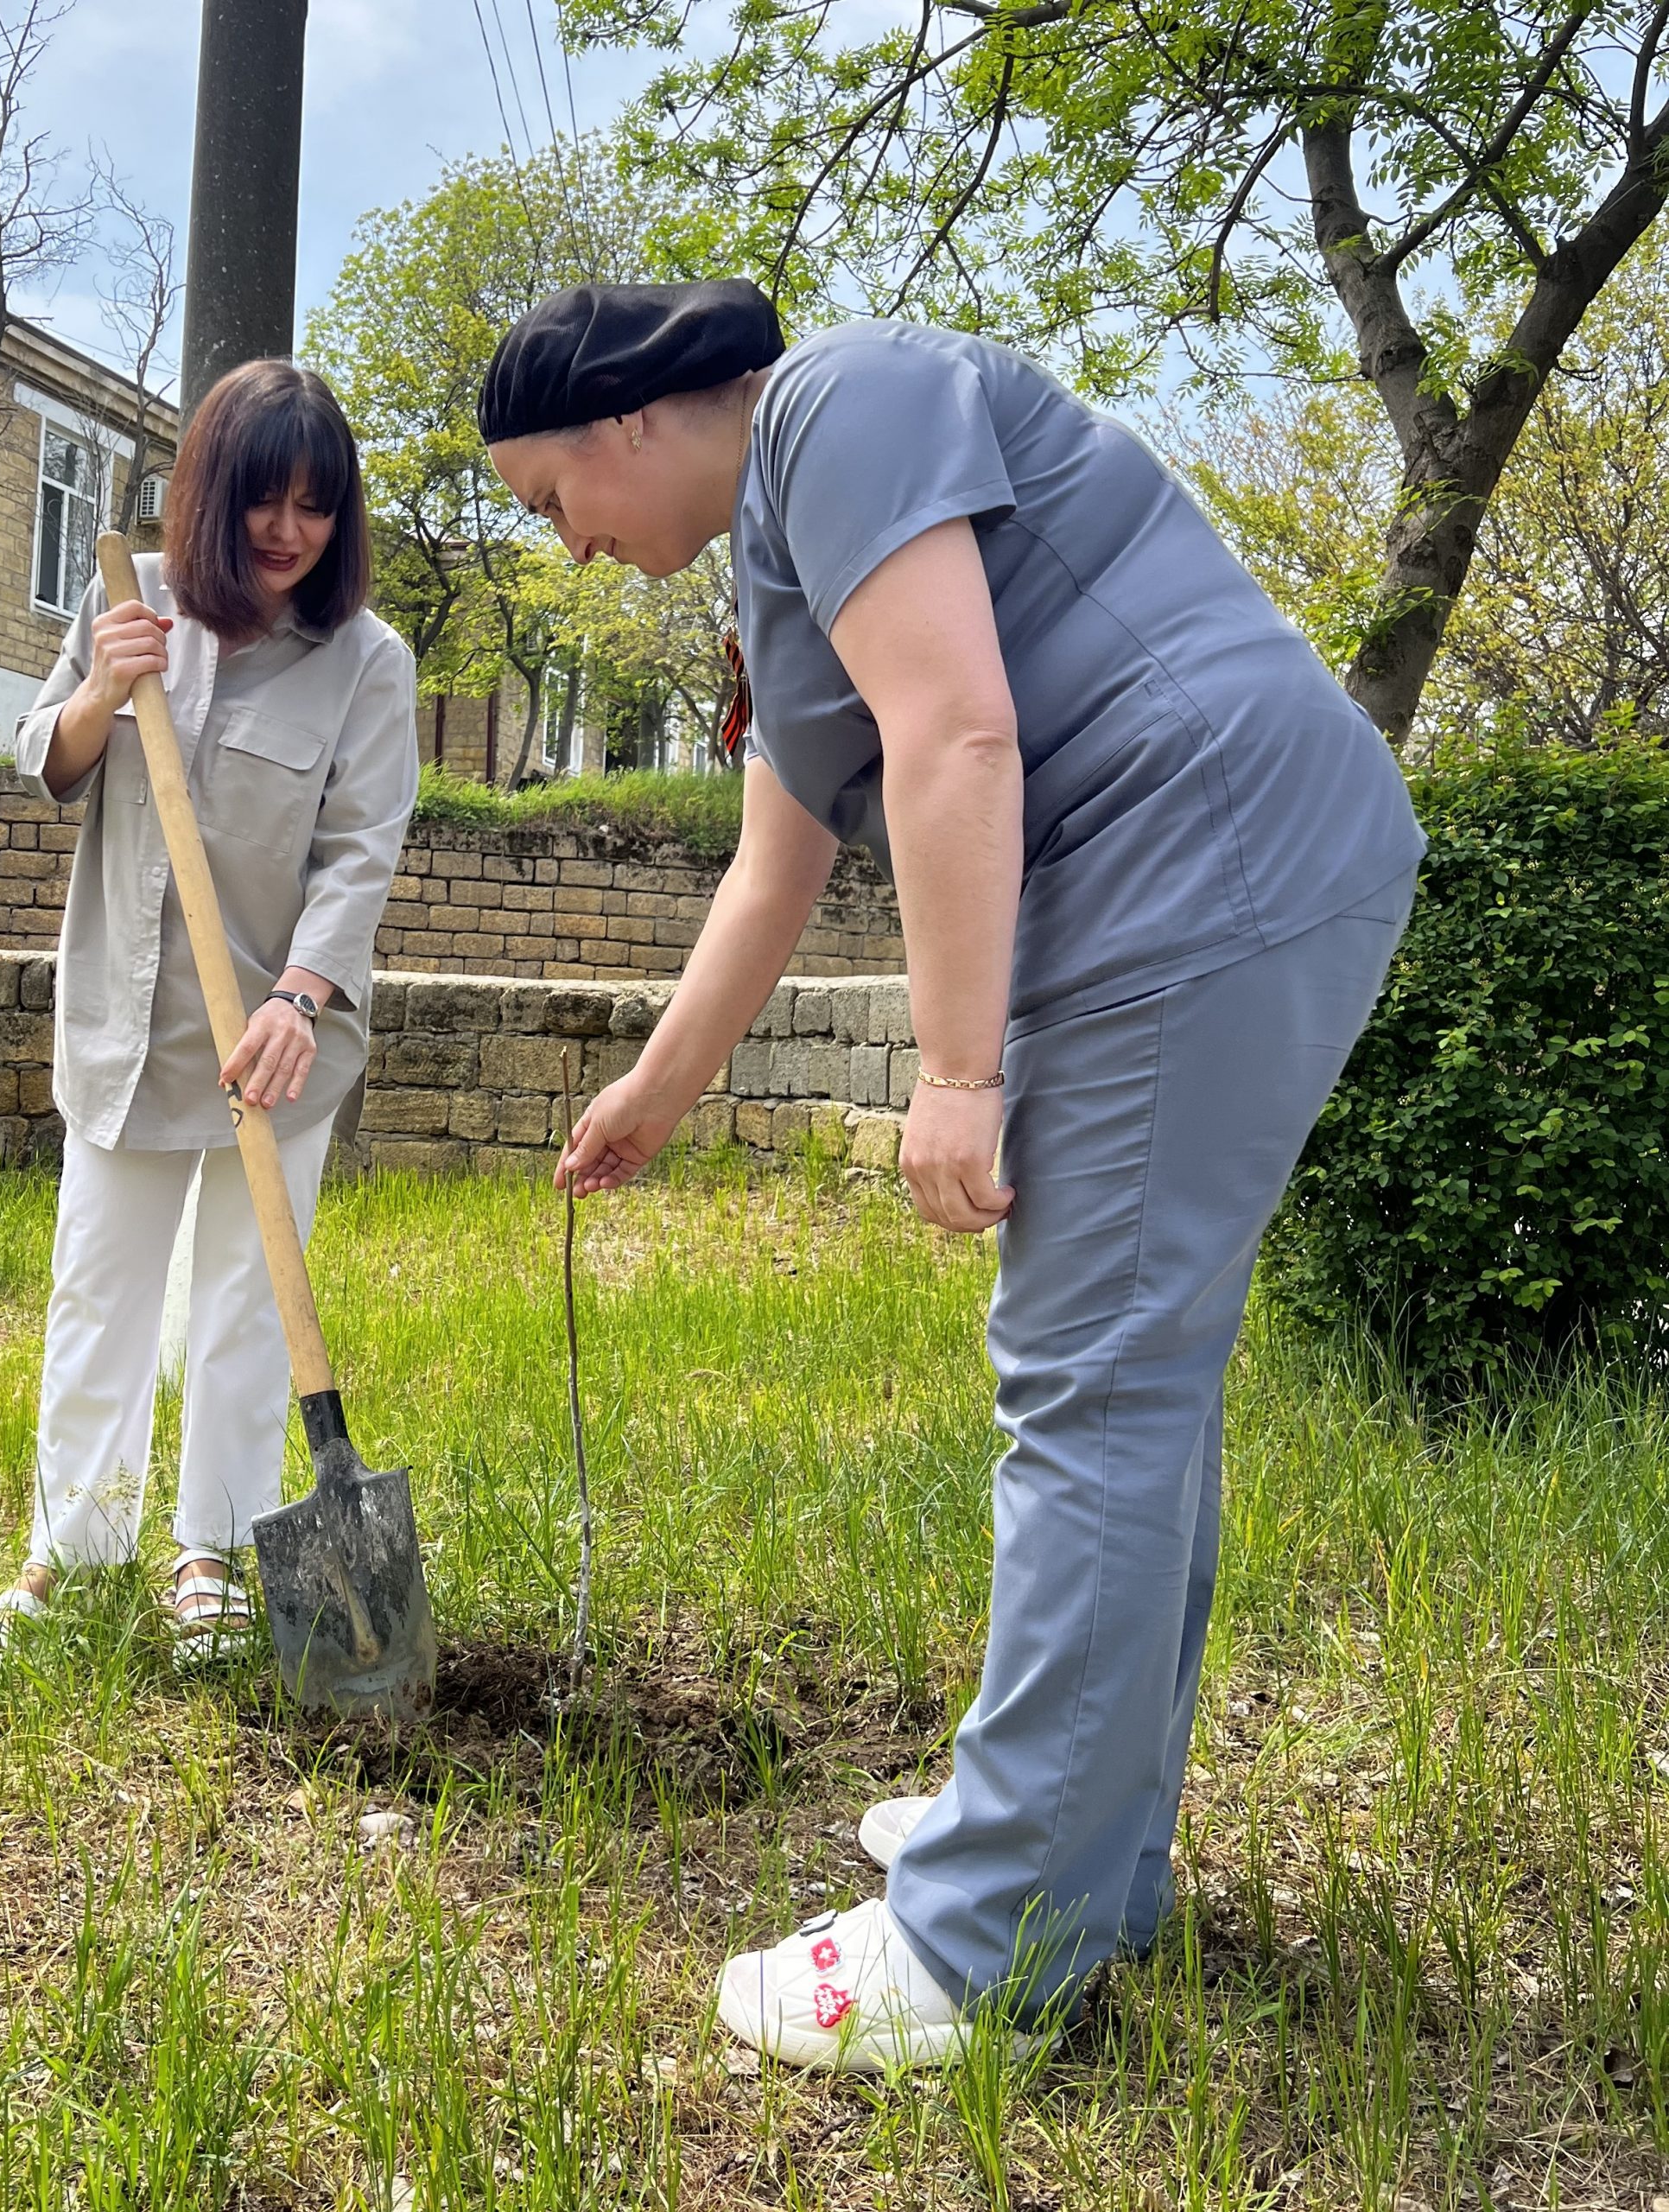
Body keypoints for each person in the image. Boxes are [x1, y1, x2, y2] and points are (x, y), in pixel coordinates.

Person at [481, 282, 1425, 2068]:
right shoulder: (784, 550)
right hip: (1219, 865)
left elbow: (962, 735)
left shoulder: (843, 399)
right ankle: (1084, 1857)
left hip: (1201, 857)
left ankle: (985, 1935)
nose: (576, 548)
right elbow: (778, 860)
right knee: (1135, 1380)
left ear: (620, 420)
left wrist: (963, 1073)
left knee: (1092, 1384)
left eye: (552, 505)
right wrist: (655, 1091)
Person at [0, 360, 418, 1671]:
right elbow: (44, 760)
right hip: (128, 1016)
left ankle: (208, 1544)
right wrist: (102, 687)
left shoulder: (368, 664)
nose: (286, 531)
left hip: (280, 1037)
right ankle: (74, 1546)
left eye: (316, 508)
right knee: (100, 1287)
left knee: (243, 1299)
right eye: (263, 500)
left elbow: (361, 849)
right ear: (208, 498)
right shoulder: (133, 601)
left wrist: (302, 996)